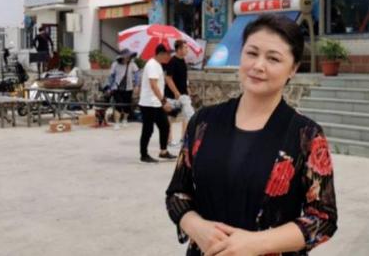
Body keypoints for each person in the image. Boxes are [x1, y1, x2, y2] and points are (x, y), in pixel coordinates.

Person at [166, 14, 337, 256]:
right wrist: (198, 228)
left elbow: (323, 218)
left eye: (273, 58)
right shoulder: (203, 122)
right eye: (252, 53)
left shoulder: (306, 135)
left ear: (293, 69)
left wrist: (257, 243)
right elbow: (177, 193)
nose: (258, 65)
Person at [139, 44, 176, 163]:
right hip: (148, 103)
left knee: (165, 126)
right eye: (167, 54)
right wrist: (164, 101)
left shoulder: (158, 65)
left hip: (156, 103)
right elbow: (153, 85)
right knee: (148, 130)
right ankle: (144, 155)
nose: (169, 57)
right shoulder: (152, 65)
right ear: (161, 54)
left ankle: (163, 151)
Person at [165, 39, 192, 146]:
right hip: (173, 95)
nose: (187, 50)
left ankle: (183, 138)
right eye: (185, 48)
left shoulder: (183, 61)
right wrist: (176, 92)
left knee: (187, 116)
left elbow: (183, 77)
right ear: (179, 49)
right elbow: (168, 78)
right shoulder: (172, 61)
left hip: (183, 94)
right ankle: (169, 139)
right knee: (170, 117)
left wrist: (187, 88)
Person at [108, 49, 140, 130]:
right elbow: (111, 76)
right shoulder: (115, 64)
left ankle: (125, 120)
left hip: (128, 88)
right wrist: (110, 87)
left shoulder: (132, 64)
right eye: (127, 56)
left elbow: (137, 74)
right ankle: (117, 123)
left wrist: (137, 85)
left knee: (127, 105)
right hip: (116, 88)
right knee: (118, 105)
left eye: (129, 56)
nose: (128, 58)